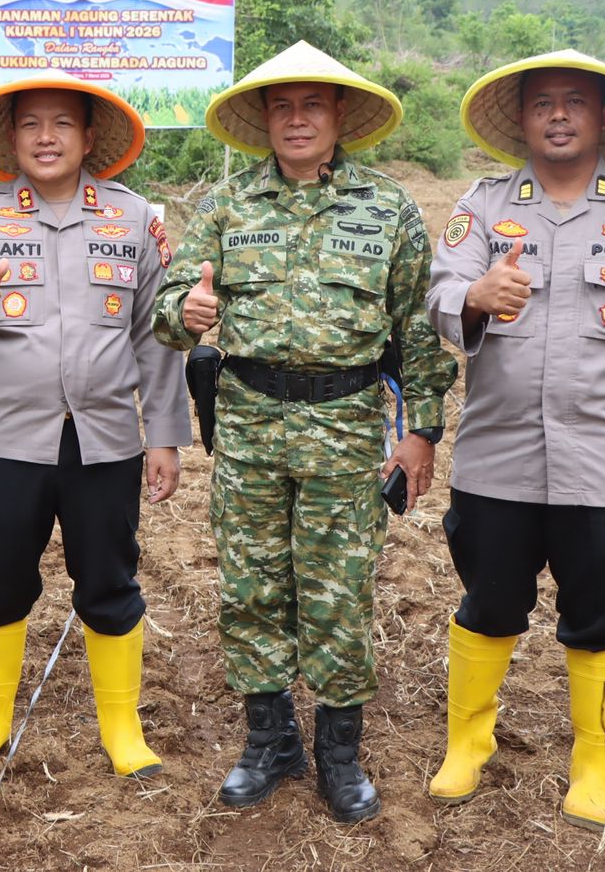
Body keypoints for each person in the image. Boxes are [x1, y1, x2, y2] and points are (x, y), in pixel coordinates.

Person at [152, 40, 456, 823]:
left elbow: (416, 331)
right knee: (252, 586)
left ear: (339, 114)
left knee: (339, 592)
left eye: (311, 105)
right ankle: (269, 741)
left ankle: (339, 753)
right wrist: (184, 313)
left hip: (346, 427)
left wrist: (421, 428)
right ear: (261, 119)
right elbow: (168, 304)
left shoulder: (388, 209)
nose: (296, 120)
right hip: (249, 424)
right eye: (281, 107)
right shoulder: (226, 206)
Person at [426, 50, 605, 830]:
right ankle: (468, 745)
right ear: (521, 120)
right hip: (498, 457)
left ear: (601, 118)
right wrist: (475, 296)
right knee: (489, 602)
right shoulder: (486, 206)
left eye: (575, 102)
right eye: (542, 103)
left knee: (600, 614)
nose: (558, 114)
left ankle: (595, 765)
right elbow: (439, 292)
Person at [0, 71, 190, 782]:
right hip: (6, 439)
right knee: (1, 578)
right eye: (31, 124)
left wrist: (163, 436)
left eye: (62, 123)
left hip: (105, 441)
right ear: (10, 138)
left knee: (109, 579)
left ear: (88, 136)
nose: (46, 137)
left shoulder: (132, 220)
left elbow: (156, 337)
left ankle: (122, 727)